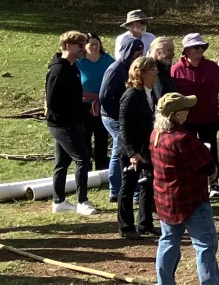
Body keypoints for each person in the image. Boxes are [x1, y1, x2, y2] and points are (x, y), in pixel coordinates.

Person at [153, 93, 219, 285]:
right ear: (177, 115)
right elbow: (208, 168)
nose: (189, 111)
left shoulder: (156, 134)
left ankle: (164, 282)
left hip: (166, 200)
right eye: (185, 108)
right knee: (205, 245)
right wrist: (213, 172)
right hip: (191, 201)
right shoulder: (183, 139)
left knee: (168, 242)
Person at [47, 31, 98, 215]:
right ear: (69, 45)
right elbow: (52, 102)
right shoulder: (58, 70)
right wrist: (67, 122)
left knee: (62, 161)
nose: (84, 49)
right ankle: (82, 201)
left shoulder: (73, 67)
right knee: (83, 158)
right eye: (80, 45)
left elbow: (74, 99)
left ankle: (58, 202)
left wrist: (84, 110)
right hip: (62, 125)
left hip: (70, 122)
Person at [170, 34, 219, 197]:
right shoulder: (176, 69)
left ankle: (214, 183)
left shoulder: (212, 67)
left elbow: (218, 85)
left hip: (209, 116)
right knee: (188, 152)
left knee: (210, 150)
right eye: (196, 47)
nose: (200, 50)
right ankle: (191, 184)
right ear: (186, 49)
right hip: (187, 120)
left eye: (202, 46)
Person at [99, 34, 148, 206]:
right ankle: (118, 190)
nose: (139, 54)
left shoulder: (130, 68)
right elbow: (104, 96)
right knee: (122, 149)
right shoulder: (115, 69)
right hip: (111, 116)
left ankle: (123, 189)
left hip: (123, 115)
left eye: (141, 51)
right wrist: (116, 115)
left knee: (122, 149)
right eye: (136, 51)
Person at [117, 58, 160, 240]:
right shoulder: (131, 95)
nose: (156, 72)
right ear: (141, 73)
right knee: (128, 187)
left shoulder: (150, 92)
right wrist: (132, 153)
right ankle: (126, 227)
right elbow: (124, 126)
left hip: (146, 148)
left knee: (148, 185)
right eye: (152, 70)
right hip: (132, 150)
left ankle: (145, 224)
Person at [77, 34, 115, 199]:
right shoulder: (79, 62)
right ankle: (86, 168)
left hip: (103, 102)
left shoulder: (107, 59)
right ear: (84, 47)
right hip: (84, 105)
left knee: (102, 135)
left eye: (96, 43)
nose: (94, 46)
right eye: (91, 44)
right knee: (85, 136)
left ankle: (102, 168)